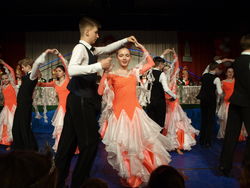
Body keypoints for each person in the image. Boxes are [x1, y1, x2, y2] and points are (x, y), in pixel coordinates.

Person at [55, 17, 136, 188]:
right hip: (81, 99)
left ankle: (58, 180)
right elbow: (72, 69)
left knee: (68, 143)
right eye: (95, 32)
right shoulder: (80, 48)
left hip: (77, 99)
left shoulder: (89, 49)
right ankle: (79, 182)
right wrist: (99, 66)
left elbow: (107, 48)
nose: (98, 35)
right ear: (86, 32)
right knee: (90, 143)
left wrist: (125, 40)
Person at [98, 42, 176, 188]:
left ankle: (139, 176)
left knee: (140, 148)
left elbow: (151, 62)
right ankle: (129, 178)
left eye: (127, 55)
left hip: (135, 114)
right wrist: (104, 72)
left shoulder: (135, 71)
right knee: (124, 149)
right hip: (119, 116)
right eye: (121, 55)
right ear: (117, 57)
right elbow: (100, 92)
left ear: (130, 57)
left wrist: (140, 47)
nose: (124, 58)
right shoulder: (111, 74)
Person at [12, 49, 58, 151]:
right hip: (21, 104)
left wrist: (46, 52)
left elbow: (37, 63)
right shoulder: (27, 75)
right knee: (16, 127)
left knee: (24, 128)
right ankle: (19, 147)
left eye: (23, 67)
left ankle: (29, 149)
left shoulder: (32, 76)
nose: (22, 69)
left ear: (29, 66)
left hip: (25, 105)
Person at [219, 34, 250, 176]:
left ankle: (224, 166)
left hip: (236, 101)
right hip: (247, 102)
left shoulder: (237, 61)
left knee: (231, 135)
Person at [162, 49, 199, 155]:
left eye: (169, 69)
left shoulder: (173, 79)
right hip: (168, 106)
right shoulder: (162, 80)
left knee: (179, 125)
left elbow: (177, 66)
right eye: (165, 70)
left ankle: (179, 145)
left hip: (175, 106)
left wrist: (174, 55)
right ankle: (171, 145)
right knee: (169, 126)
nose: (168, 71)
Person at [37, 49, 70, 151]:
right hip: (60, 109)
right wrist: (36, 75)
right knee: (60, 129)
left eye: (60, 71)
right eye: (57, 71)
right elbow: (42, 84)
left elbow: (65, 63)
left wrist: (59, 55)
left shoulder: (68, 79)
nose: (58, 73)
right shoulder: (55, 82)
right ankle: (61, 146)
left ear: (64, 73)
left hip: (69, 108)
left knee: (69, 130)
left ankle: (70, 147)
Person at [146, 49, 176, 128]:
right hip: (159, 102)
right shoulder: (161, 74)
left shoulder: (149, 72)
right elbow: (166, 89)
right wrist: (174, 96)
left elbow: (155, 62)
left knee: (151, 123)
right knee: (159, 122)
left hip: (150, 101)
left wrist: (163, 54)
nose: (163, 65)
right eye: (163, 64)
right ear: (160, 65)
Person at [217, 66, 248, 140]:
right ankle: (227, 136)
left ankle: (239, 135)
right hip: (227, 104)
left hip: (236, 103)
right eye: (229, 72)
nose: (231, 73)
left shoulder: (237, 81)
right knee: (227, 121)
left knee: (238, 121)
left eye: (232, 72)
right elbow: (220, 94)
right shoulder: (223, 82)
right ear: (226, 73)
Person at [196, 61, 223, 147]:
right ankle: (207, 141)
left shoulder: (204, 75)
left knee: (204, 120)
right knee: (210, 121)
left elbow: (206, 68)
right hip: (211, 101)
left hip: (203, 101)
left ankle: (202, 139)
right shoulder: (217, 79)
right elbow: (219, 92)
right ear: (215, 69)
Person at [0, 59, 17, 149]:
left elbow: (12, 70)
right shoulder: (2, 87)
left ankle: (13, 143)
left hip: (13, 108)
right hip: (6, 108)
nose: (5, 80)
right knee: (5, 125)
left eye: (6, 78)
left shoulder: (12, 84)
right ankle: (6, 142)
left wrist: (4, 63)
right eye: (3, 79)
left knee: (12, 125)